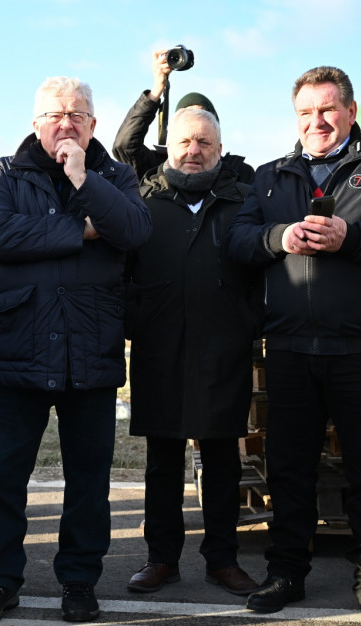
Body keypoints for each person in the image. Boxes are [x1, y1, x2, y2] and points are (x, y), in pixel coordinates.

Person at [226, 65, 361, 626]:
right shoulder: (270, 177)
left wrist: (353, 236)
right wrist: (279, 237)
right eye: (305, 112)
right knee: (289, 467)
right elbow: (239, 241)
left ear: (350, 110)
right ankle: (286, 571)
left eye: (326, 110)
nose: (315, 121)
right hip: (291, 346)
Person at [0, 76, 152, 625]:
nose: (65, 124)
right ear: (34, 121)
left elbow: (134, 229)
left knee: (88, 480)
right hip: (20, 344)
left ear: (94, 124)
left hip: (90, 346)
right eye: (54, 114)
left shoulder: (114, 175)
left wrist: (82, 180)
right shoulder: (6, 172)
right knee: (2, 476)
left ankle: (78, 581)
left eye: (77, 115)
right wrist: (82, 229)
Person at [123, 107, 262, 597]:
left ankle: (222, 559)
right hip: (159, 348)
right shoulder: (144, 201)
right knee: (163, 460)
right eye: (185, 142)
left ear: (219, 149)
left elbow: (261, 272)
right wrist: (136, 318)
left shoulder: (242, 201)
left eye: (205, 143)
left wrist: (246, 321)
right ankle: (161, 558)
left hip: (223, 347)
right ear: (170, 147)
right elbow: (124, 271)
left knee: (222, 458)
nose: (194, 151)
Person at [112, 49, 254, 184]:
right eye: (187, 117)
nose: (193, 150)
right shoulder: (157, 169)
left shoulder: (239, 173)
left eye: (204, 117)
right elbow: (125, 146)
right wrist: (157, 89)